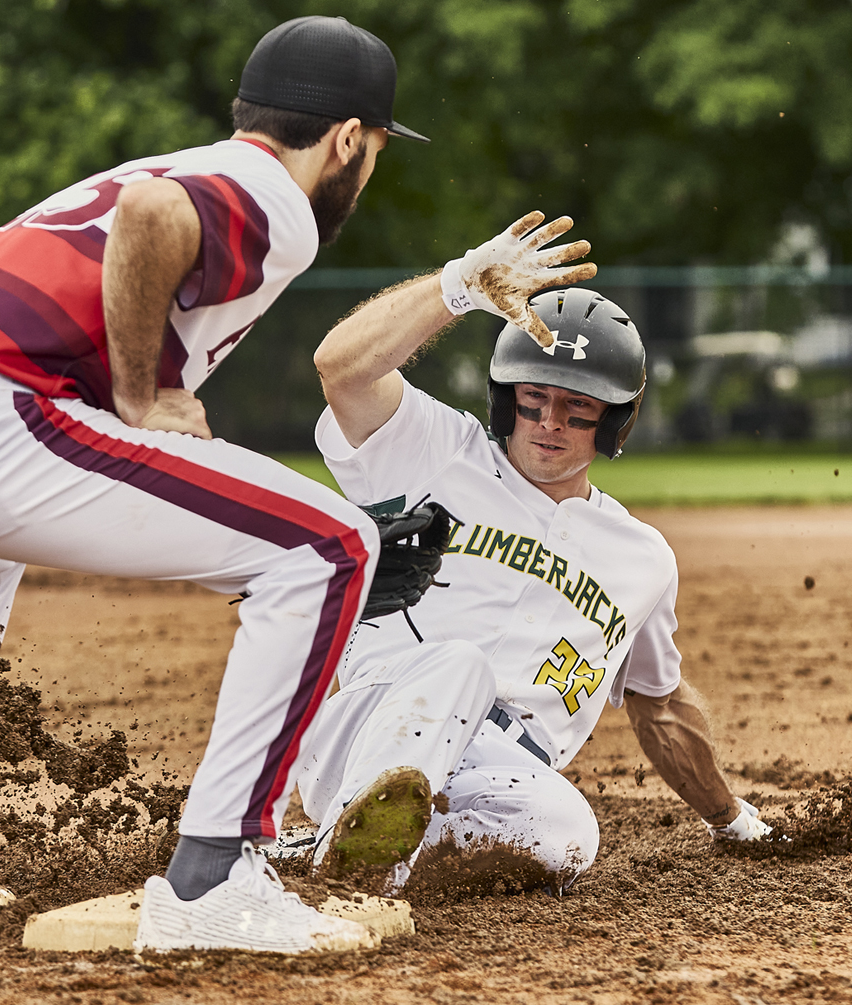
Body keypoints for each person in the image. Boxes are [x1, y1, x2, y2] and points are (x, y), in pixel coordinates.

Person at [0, 15, 462, 956]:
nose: (372, 166)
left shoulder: (197, 162)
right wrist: (146, 391)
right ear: (350, 139)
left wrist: (141, 405)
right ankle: (214, 879)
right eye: (379, 148)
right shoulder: (274, 195)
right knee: (330, 547)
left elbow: (142, 224)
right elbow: (157, 216)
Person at [297, 220, 772, 894]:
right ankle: (351, 837)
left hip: (496, 766)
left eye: (577, 409)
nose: (550, 422)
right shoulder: (439, 449)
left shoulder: (643, 559)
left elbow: (659, 710)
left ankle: (360, 857)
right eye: (533, 399)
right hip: (378, 721)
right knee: (464, 666)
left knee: (569, 833)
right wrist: (457, 285)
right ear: (504, 397)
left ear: (614, 422)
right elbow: (340, 369)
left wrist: (730, 819)